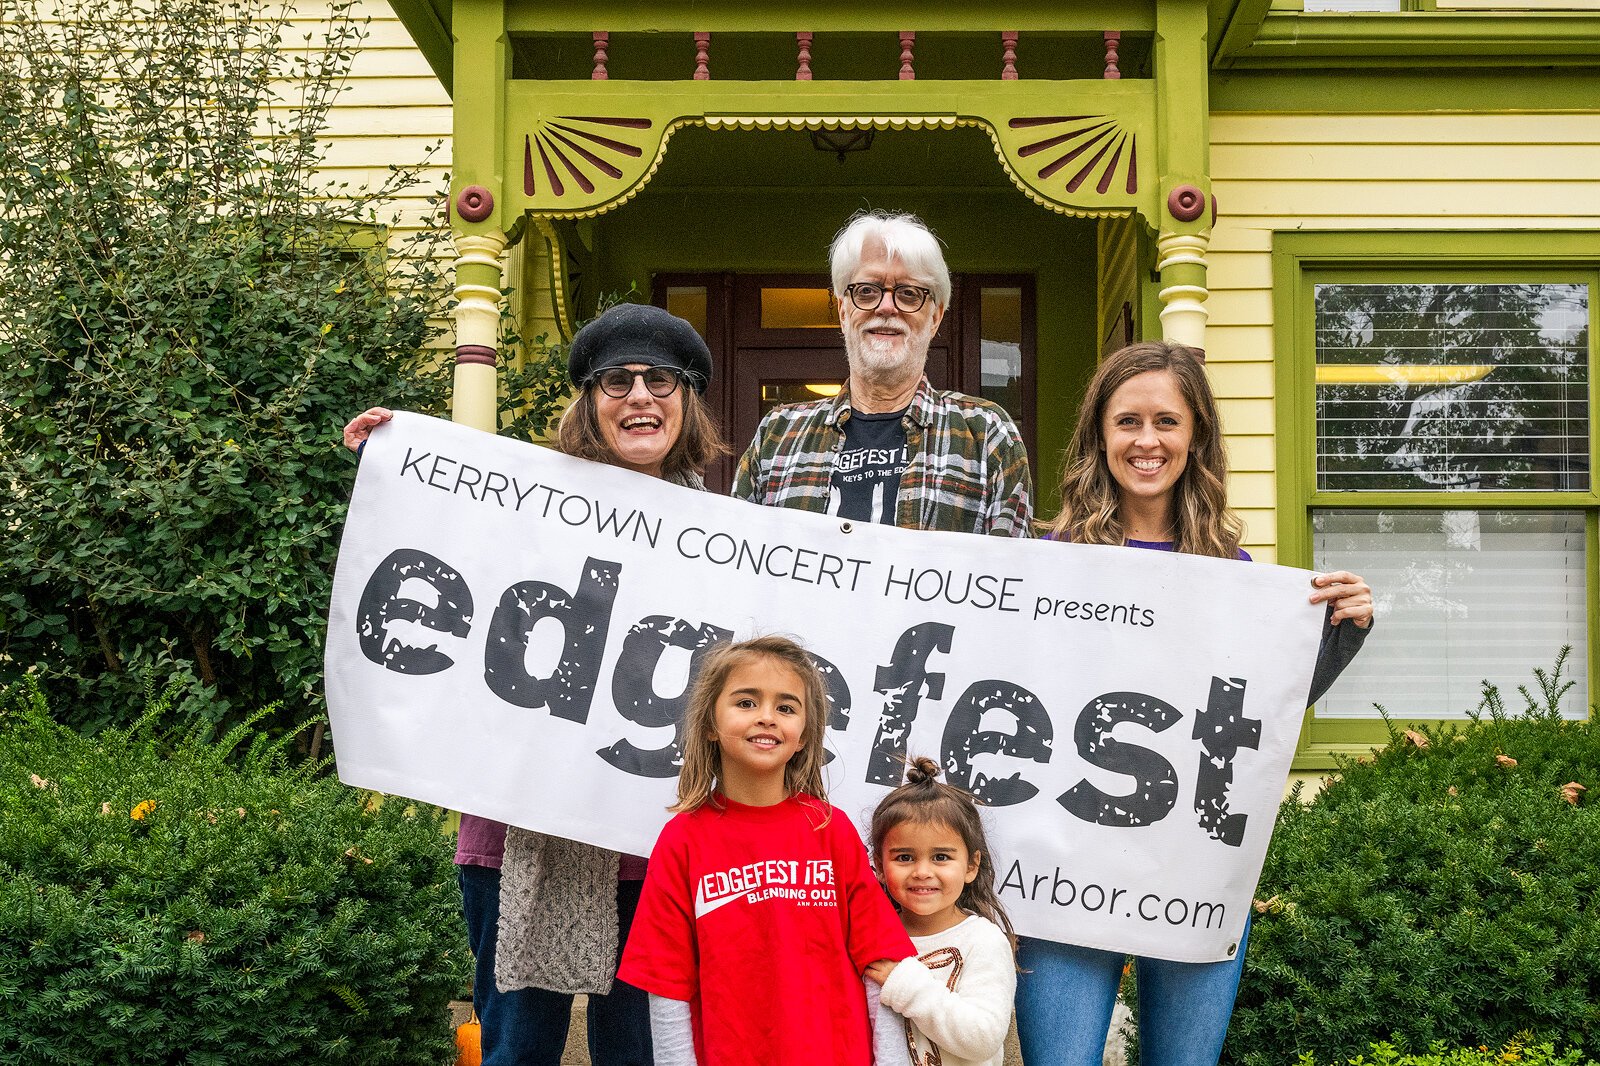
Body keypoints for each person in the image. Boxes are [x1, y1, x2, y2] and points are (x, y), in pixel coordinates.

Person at [341, 302, 727, 1066]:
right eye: (617, 381)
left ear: (688, 402)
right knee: (517, 1046)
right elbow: (444, 543)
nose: (640, 397)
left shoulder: (727, 536)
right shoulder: (521, 503)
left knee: (642, 1052)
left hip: (654, 843)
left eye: (662, 380)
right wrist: (397, 459)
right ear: (589, 401)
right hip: (518, 828)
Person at [1015, 340, 1375, 1066]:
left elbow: (1256, 725)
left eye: (1167, 422)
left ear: (1195, 438)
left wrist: (1341, 634)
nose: (1147, 441)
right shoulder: (1044, 566)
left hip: (1191, 873)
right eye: (1127, 422)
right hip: (1063, 874)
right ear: (1099, 437)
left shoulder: (1236, 579)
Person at [617, 635, 915, 1066]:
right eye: (746, 702)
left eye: (786, 707)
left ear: (803, 736)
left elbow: (880, 964)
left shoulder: (831, 830)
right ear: (708, 724)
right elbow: (666, 986)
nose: (767, 718)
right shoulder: (682, 840)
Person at [734, 209, 1033, 537]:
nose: (886, 307)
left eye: (908, 293)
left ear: (935, 317)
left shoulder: (986, 434)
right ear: (843, 310)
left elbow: (1012, 577)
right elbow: (739, 565)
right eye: (866, 291)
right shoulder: (777, 437)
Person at [865, 756, 1018, 1066]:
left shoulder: (983, 941)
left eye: (941, 857)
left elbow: (983, 1038)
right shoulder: (874, 936)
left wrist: (906, 984)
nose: (922, 871)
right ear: (880, 866)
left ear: (971, 866)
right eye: (905, 857)